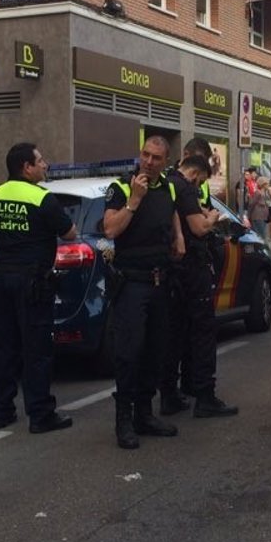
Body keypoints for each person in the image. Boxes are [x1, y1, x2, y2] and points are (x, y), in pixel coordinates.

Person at [0, 142, 77, 434]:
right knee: (36, 349)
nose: (45, 165)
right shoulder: (42, 198)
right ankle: (40, 414)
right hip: (31, 282)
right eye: (40, 161)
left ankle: (1, 411)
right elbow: (69, 233)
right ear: (26, 167)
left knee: (3, 348)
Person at [102, 135, 185, 449]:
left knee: (155, 350)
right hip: (132, 283)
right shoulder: (121, 187)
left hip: (160, 280)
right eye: (146, 155)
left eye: (156, 158)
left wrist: (179, 236)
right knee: (129, 352)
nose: (149, 162)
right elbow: (110, 229)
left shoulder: (168, 187)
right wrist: (134, 201)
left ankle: (145, 414)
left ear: (166, 162)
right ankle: (124, 419)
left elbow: (171, 210)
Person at [159, 143, 238, 419]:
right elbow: (199, 227)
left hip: (171, 270)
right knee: (203, 332)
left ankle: (169, 395)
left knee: (174, 334)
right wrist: (213, 217)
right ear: (195, 174)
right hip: (192, 268)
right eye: (201, 181)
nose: (199, 185)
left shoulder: (166, 183)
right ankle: (205, 396)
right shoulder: (185, 187)